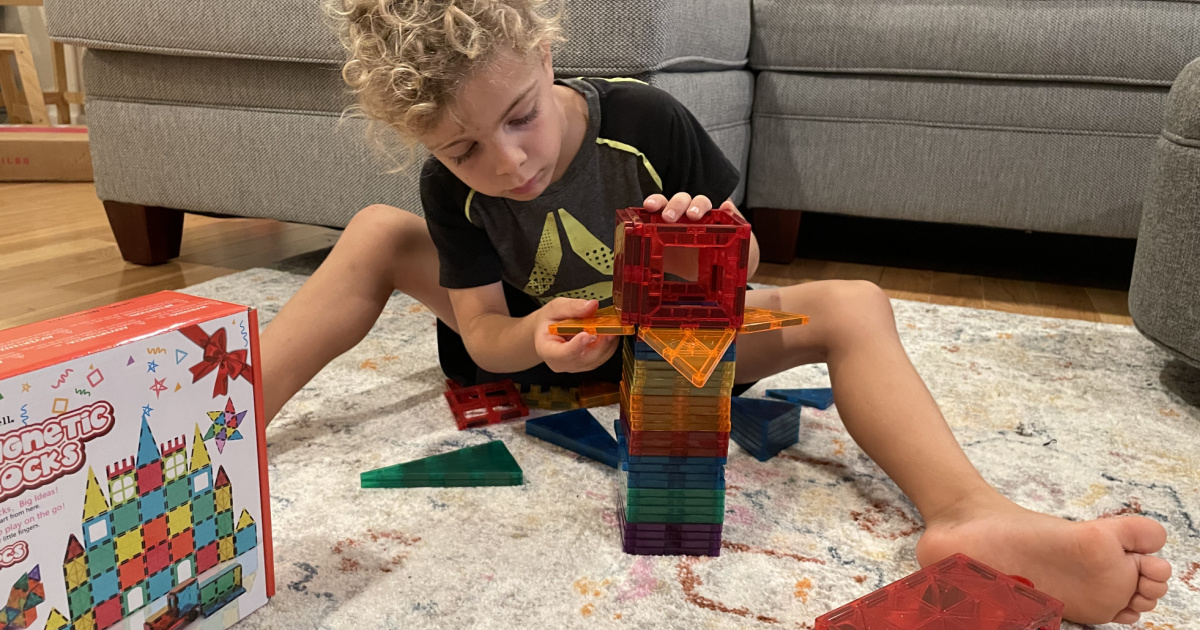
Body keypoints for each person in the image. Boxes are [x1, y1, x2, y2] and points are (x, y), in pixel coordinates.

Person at [259, 0, 1171, 623]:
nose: (506, 164)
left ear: (546, 54)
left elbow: (751, 266)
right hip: (546, 357)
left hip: (681, 350)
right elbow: (487, 336)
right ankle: (224, 418)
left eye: (521, 118)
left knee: (853, 302)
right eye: (462, 149)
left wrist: (707, 238)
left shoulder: (645, 122)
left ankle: (966, 511)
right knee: (378, 230)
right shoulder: (447, 188)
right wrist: (533, 335)